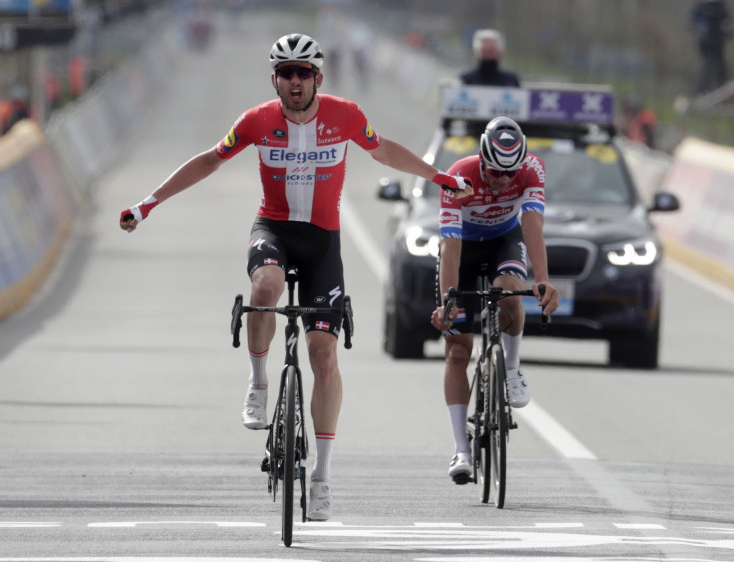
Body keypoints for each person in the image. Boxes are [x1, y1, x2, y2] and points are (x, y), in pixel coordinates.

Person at [119, 33, 472, 521]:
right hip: (274, 229)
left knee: (322, 357)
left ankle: (323, 476)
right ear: (275, 80)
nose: (294, 81)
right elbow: (206, 161)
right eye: (285, 73)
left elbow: (384, 150)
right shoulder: (257, 121)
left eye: (303, 72)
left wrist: (440, 178)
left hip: (323, 242)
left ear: (318, 78)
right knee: (264, 289)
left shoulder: (345, 115)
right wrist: (148, 203)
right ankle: (259, 382)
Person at [430, 117, 559, 484]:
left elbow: (533, 225)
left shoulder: (532, 169)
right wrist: (449, 300)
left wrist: (543, 280)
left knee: (508, 295)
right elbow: (450, 249)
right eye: (495, 172)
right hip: (464, 248)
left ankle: (513, 367)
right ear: (482, 160)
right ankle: (461, 448)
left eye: (510, 174)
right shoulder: (458, 176)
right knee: (457, 350)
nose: (503, 181)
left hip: (505, 238)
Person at [690, 0, 734, 94]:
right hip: (706, 42)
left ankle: (722, 88)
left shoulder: (721, 8)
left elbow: (728, 22)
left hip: (718, 41)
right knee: (708, 65)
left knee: (721, 65)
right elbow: (693, 21)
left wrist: (729, 31)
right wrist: (703, 30)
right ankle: (702, 90)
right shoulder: (701, 8)